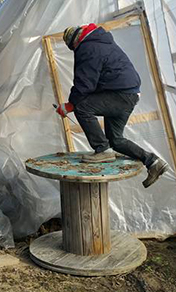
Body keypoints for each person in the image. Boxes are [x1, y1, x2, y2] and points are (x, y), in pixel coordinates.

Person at [56, 23, 169, 188]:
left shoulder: (87, 47)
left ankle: (102, 149)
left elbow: (85, 82)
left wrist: (70, 105)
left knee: (82, 107)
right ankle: (152, 162)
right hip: (128, 94)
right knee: (116, 140)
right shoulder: (102, 41)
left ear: (73, 42)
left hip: (120, 95)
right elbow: (96, 80)